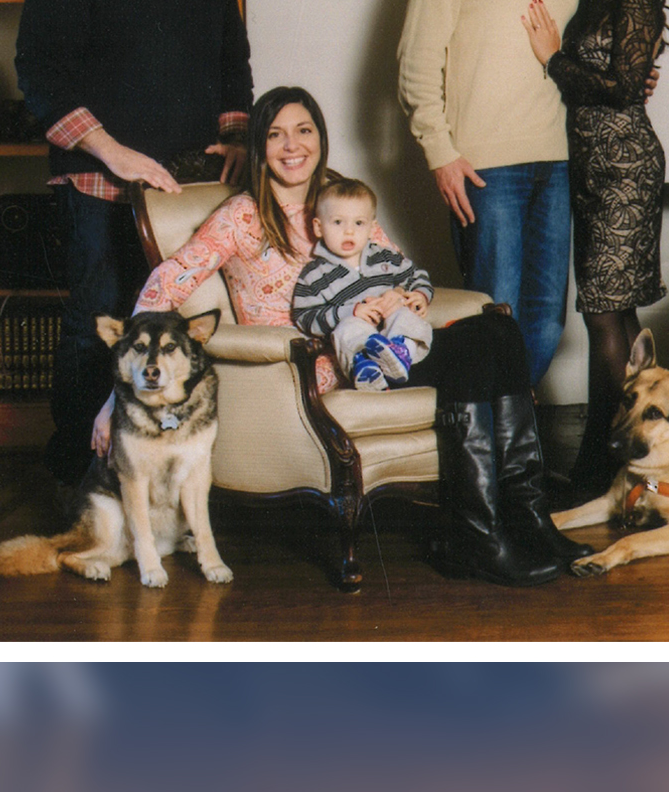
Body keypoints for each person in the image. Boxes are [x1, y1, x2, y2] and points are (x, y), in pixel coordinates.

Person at [102, 86, 590, 585]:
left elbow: (394, 266)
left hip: (382, 348)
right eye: (275, 135)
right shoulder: (242, 216)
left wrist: (409, 298)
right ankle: (478, 537)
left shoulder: (339, 196)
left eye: (304, 131)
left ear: (321, 138)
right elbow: (168, 281)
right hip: (320, 366)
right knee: (479, 349)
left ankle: (526, 521)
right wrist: (114, 399)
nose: (292, 146)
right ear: (259, 147)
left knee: (497, 329)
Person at [16, 0, 252, 487]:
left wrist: (235, 136)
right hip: (99, 182)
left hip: (187, 189)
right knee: (99, 322)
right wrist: (112, 151)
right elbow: (37, 76)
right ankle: (76, 475)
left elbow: (233, 62)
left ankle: (165, 475)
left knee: (174, 330)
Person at [397, 0, 581, 390]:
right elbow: (416, 60)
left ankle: (511, 448)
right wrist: (439, 153)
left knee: (546, 323)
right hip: (483, 167)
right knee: (493, 318)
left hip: (556, 160)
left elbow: (585, 53)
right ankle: (490, 465)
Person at [520, 0, 669, 501]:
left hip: (625, 171)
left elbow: (623, 88)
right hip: (590, 171)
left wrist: (554, 59)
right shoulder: (594, 0)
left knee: (604, 313)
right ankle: (623, 461)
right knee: (617, 315)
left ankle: (600, 465)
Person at [290, 177, 435, 391]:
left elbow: (415, 275)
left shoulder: (385, 257)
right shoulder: (314, 275)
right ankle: (365, 368)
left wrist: (420, 295)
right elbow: (304, 316)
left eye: (359, 223)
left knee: (406, 315)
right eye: (338, 222)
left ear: (371, 228)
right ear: (318, 227)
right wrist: (351, 312)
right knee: (346, 329)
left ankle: (400, 352)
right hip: (359, 337)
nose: (349, 231)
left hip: (393, 328)